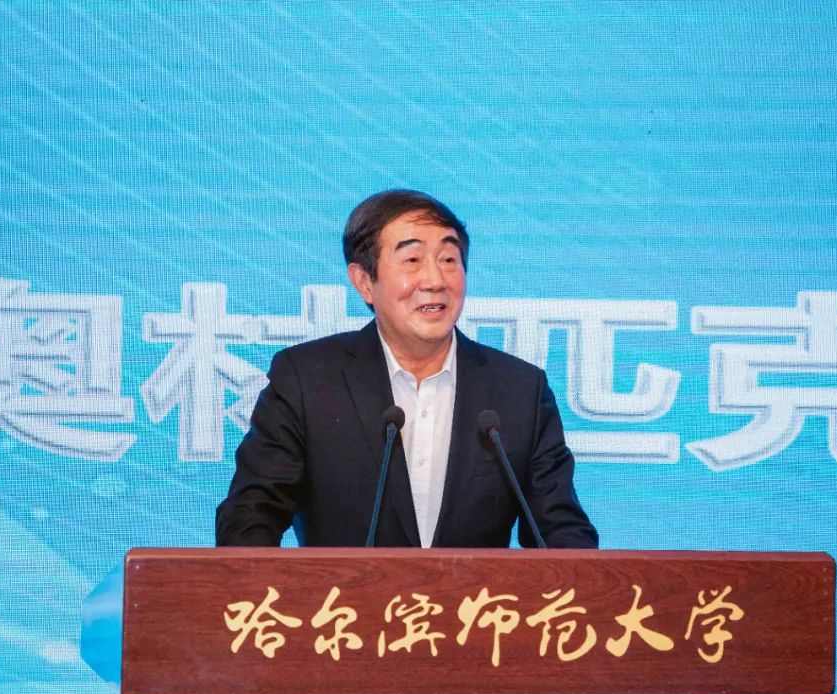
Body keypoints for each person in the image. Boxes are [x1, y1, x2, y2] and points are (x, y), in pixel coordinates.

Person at [216, 190, 597, 549]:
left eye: (448, 260)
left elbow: (561, 531)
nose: (435, 280)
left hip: (475, 600)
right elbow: (249, 518)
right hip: (340, 599)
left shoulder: (519, 390)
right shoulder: (307, 380)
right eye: (412, 260)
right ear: (364, 282)